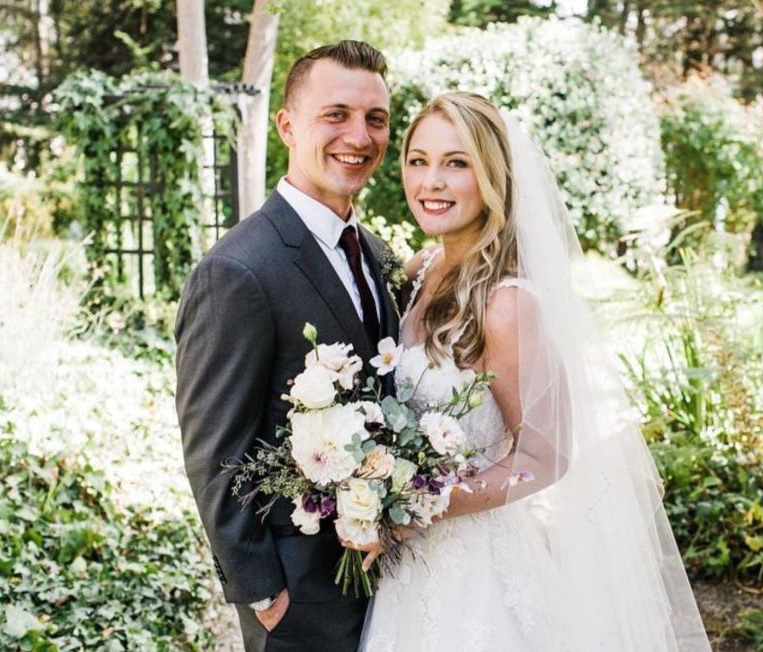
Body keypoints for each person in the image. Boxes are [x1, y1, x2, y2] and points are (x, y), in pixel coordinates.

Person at [353, 93, 711, 651]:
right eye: (418, 160)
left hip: (477, 578)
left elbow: (545, 457)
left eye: (457, 162)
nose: (432, 182)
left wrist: (427, 503)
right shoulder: (419, 271)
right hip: (407, 575)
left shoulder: (507, 302)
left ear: (491, 174)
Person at [174, 41, 400, 651]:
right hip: (300, 601)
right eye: (336, 114)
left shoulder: (377, 255)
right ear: (287, 126)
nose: (359, 135)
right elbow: (213, 450)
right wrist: (264, 595)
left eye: (375, 119)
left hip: (393, 583)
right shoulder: (237, 270)